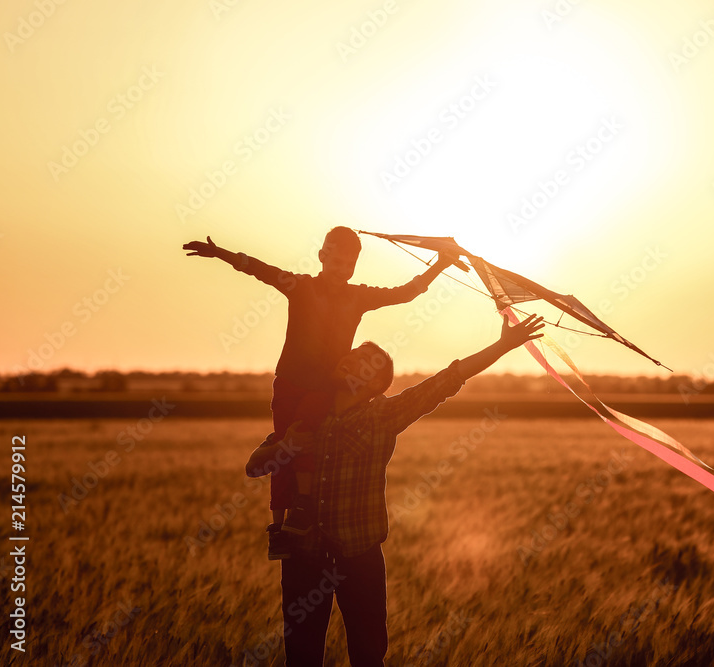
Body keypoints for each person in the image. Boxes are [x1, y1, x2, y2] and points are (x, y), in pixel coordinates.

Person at [246, 313, 544, 666]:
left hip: (360, 559)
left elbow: (449, 379)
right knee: (301, 657)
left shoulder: (383, 416)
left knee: (369, 655)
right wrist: (286, 448)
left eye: (366, 364)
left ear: (376, 387)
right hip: (303, 557)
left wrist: (502, 345)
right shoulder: (306, 413)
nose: (352, 360)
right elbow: (255, 466)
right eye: (354, 354)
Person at [183, 227, 459, 557]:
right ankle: (279, 524)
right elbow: (260, 269)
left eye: (349, 264)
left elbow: (406, 293)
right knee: (285, 444)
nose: (342, 270)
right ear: (322, 256)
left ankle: (304, 508)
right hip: (289, 383)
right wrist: (222, 253)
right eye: (337, 261)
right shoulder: (300, 287)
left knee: (313, 443)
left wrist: (440, 265)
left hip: (328, 386)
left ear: (355, 264)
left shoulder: (359, 297)